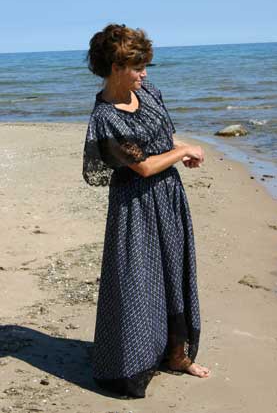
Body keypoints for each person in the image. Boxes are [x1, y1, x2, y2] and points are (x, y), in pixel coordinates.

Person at [82, 23, 211, 399]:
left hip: (168, 198)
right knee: (139, 282)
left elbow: (162, 135)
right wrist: (185, 152)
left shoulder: (148, 92)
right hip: (134, 208)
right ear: (115, 67)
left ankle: (177, 356)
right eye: (137, 67)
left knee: (175, 273)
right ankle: (132, 361)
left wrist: (180, 144)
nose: (144, 73)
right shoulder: (105, 117)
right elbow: (142, 167)